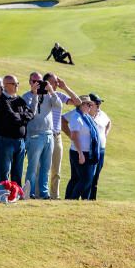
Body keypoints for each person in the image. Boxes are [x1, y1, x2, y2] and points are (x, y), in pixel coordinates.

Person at [22, 72, 61, 199]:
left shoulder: (49, 96)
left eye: (39, 81)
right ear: (30, 82)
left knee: (46, 167)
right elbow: (30, 112)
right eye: (34, 81)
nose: (37, 83)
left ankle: (44, 193)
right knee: (32, 167)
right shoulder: (26, 97)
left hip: (48, 134)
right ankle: (30, 192)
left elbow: (58, 105)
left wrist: (51, 91)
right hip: (34, 135)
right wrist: (34, 94)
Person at [44, 73, 82, 201]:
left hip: (56, 135)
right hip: (44, 135)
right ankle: (39, 193)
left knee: (56, 168)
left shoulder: (59, 95)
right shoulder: (40, 95)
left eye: (56, 82)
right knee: (42, 167)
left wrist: (65, 87)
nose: (56, 84)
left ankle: (54, 196)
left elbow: (78, 102)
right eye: (53, 82)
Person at [0, 75, 37, 187]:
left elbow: (31, 114)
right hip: (6, 140)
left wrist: (21, 116)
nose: (17, 86)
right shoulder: (3, 101)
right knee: (5, 170)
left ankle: (16, 193)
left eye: (17, 83)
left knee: (17, 171)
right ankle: (4, 192)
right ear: (5, 85)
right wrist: (23, 117)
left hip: (20, 141)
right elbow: (13, 118)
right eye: (14, 84)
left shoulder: (19, 99)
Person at [63, 96, 100, 200]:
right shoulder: (76, 117)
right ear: (82, 105)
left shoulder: (86, 117)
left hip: (88, 152)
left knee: (78, 178)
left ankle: (80, 200)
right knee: (86, 179)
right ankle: (72, 199)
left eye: (91, 104)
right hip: (79, 152)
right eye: (88, 104)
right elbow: (74, 136)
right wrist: (80, 154)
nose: (90, 106)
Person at [88, 94, 112, 199]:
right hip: (88, 150)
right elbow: (64, 120)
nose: (98, 106)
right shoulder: (84, 115)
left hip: (101, 149)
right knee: (87, 176)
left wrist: (105, 134)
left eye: (99, 104)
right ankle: (84, 198)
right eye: (96, 104)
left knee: (96, 176)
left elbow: (109, 122)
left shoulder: (102, 114)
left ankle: (92, 199)